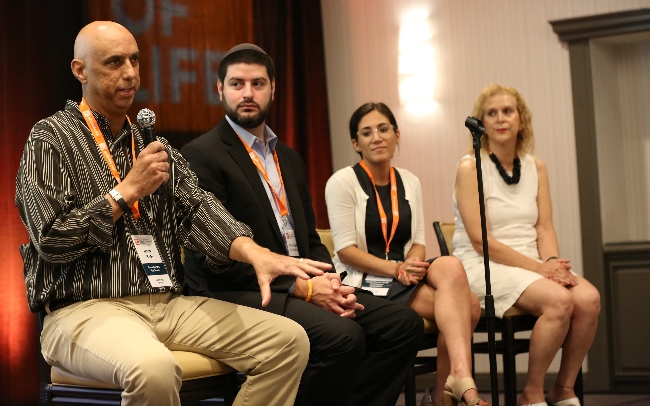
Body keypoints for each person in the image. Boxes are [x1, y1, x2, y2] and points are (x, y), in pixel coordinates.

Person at [15, 22, 330, 406]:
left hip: (167, 304)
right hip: (83, 310)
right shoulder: (49, 138)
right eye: (114, 62)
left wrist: (255, 253)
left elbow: (198, 209)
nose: (130, 73)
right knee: (154, 368)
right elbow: (51, 240)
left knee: (289, 341)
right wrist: (125, 191)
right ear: (80, 70)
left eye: (134, 60)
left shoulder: (152, 144)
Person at [180, 43, 423, 406]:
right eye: (237, 84)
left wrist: (329, 282)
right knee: (343, 336)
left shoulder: (288, 158)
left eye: (258, 84)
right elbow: (214, 258)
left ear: (273, 89)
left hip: (302, 284)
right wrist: (300, 288)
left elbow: (309, 239)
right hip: (238, 289)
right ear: (220, 90)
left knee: (403, 325)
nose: (248, 93)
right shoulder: (203, 155)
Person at [325, 102, 488, 406]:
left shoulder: (409, 181)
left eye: (384, 129)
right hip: (363, 282)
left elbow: (418, 242)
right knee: (468, 307)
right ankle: (446, 395)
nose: (377, 137)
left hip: (402, 279)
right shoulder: (342, 182)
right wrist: (397, 268)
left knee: (451, 266)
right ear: (355, 143)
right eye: (367, 132)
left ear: (397, 135)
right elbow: (346, 251)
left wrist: (410, 264)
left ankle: (456, 381)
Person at [453, 84, 601, 406]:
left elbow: (544, 225)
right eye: (491, 113)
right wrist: (540, 269)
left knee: (588, 299)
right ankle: (531, 394)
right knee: (560, 302)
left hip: (534, 263)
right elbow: (481, 241)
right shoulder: (471, 166)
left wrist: (553, 263)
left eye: (508, 111)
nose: (500, 119)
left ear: (522, 119)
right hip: (484, 266)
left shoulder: (536, 166)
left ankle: (563, 388)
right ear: (482, 122)